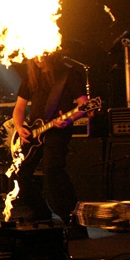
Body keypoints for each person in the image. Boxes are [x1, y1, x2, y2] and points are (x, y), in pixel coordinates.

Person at [12, 52, 88, 235]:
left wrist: (69, 120)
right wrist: (19, 126)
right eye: (35, 57)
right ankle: (41, 212)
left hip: (58, 130)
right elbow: (19, 107)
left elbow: (84, 105)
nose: (38, 60)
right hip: (34, 132)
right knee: (20, 174)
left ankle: (73, 220)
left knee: (53, 171)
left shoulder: (68, 74)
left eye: (42, 55)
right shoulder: (31, 77)